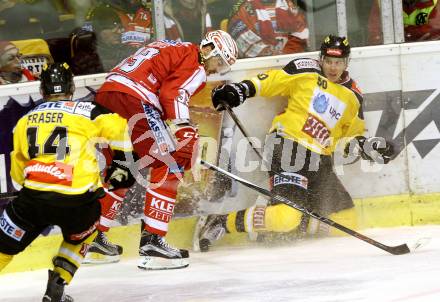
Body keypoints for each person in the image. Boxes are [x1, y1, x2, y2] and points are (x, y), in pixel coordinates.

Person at [198, 35, 394, 251]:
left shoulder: (353, 96)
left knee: (346, 221)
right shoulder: (306, 70)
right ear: (321, 59)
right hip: (289, 147)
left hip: (321, 161)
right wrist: (241, 90)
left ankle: (284, 224)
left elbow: (351, 138)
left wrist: (370, 147)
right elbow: (270, 81)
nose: (333, 67)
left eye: (338, 62)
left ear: (347, 63)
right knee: (286, 217)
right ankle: (220, 222)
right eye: (328, 61)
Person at [94, 30, 238, 270]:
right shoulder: (196, 63)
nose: (215, 69)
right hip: (134, 98)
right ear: (209, 49)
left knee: (121, 168)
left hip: (107, 95)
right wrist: (183, 129)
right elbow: (174, 93)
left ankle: (91, 239)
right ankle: (153, 240)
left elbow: (162, 85)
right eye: (219, 61)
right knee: (171, 161)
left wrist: (172, 124)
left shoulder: (173, 46)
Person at [0, 62, 134, 301]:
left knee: (2, 247)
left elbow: (18, 171)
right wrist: (123, 162)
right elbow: (119, 126)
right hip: (79, 201)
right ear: (72, 89)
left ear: (42, 91)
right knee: (82, 235)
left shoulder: (25, 119)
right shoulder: (88, 110)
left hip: (34, 199)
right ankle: (59, 281)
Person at [227, 0, 309, 58]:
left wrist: (287, 55)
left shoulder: (289, 4)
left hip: (289, 64)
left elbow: (301, 35)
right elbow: (244, 43)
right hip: (256, 69)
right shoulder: (242, 9)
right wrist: (276, 58)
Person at [368, 0, 440, 45]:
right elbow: (375, 38)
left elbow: (435, 33)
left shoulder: (435, 2)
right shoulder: (383, 3)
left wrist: (408, 34)